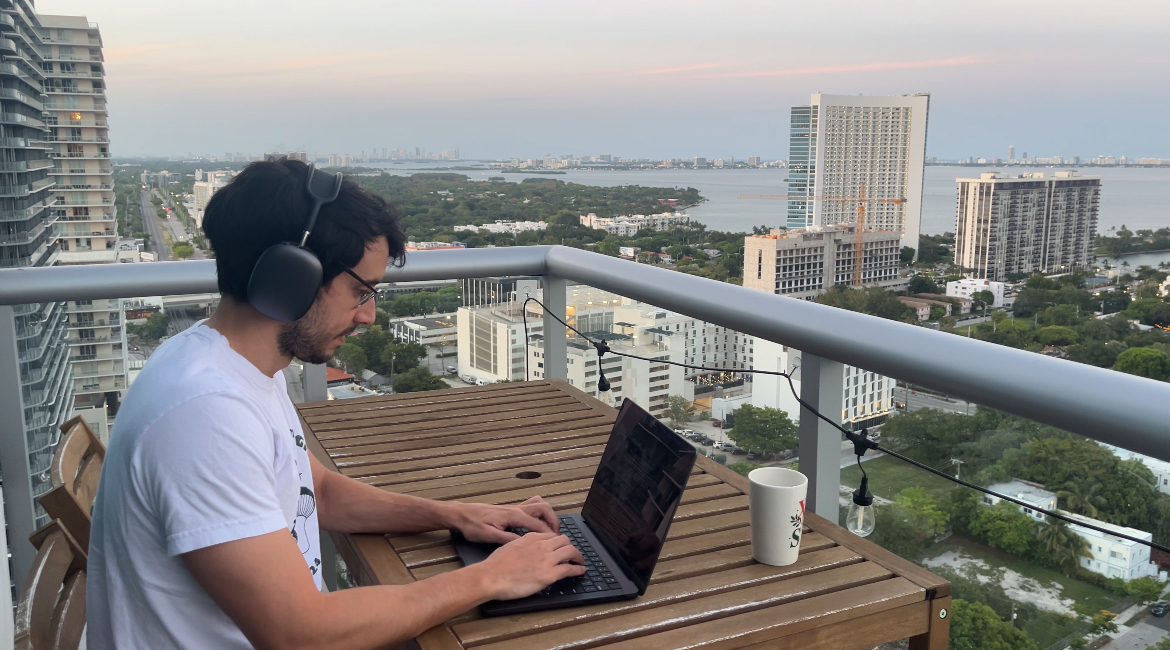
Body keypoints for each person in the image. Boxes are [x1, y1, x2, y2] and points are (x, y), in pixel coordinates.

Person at [87, 158, 585, 649]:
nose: (368, 315)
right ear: (290, 279)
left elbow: (318, 492)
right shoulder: (203, 413)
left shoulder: (229, 365)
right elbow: (302, 634)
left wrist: (456, 515)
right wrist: (490, 578)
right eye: (360, 292)